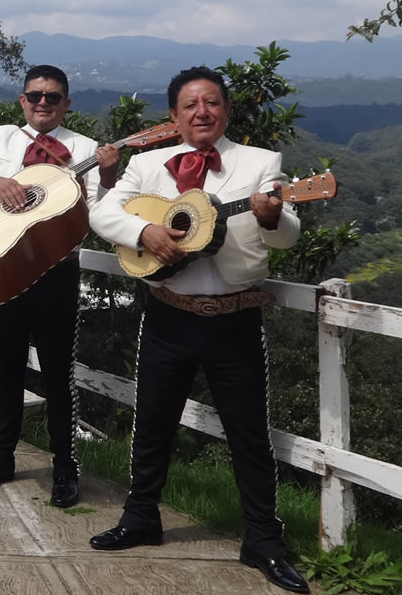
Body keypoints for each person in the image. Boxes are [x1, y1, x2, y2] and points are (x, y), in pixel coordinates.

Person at [88, 67, 307, 594]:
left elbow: (287, 236)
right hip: (168, 311)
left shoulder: (261, 164)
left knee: (248, 434)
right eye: (190, 105)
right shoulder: (146, 164)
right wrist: (145, 230)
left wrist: (273, 216)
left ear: (226, 111)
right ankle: (142, 516)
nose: (202, 112)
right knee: (153, 421)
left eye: (211, 103)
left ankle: (262, 539)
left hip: (234, 318)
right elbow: (102, 211)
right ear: (173, 116)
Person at [0, 65, 119, 508]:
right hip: (4, 269)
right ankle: (1, 456)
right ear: (22, 100)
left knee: (56, 373)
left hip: (56, 270)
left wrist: (106, 179)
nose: (43, 103)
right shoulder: (0, 138)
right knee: (6, 367)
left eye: (53, 97)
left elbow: (103, 216)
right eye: (35, 95)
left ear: (67, 103)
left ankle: (64, 466)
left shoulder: (85, 149)